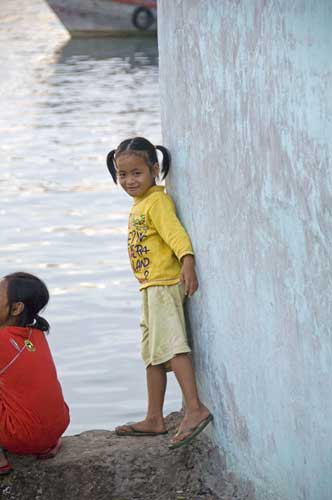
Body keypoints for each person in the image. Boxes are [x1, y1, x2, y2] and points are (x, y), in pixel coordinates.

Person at [106, 137, 212, 449]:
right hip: (149, 287)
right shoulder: (141, 204)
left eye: (136, 173)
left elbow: (175, 233)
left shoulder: (158, 202)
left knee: (172, 345)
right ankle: (155, 417)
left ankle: (195, 408)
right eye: (122, 175)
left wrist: (187, 261)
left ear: (154, 169)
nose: (129, 181)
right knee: (152, 354)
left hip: (165, 285)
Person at [0, 272, 70, 475]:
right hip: (56, 427)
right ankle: (45, 443)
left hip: (24, 436)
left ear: (16, 308)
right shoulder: (36, 334)